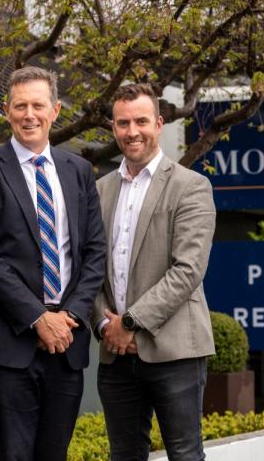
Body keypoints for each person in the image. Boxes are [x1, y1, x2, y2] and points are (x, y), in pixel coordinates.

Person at [0, 66, 105, 461]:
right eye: (20, 105)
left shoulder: (78, 170)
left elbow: (94, 251)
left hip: (68, 342)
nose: (29, 115)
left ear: (55, 110)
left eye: (38, 105)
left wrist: (70, 315)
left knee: (53, 454)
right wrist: (38, 318)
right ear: (6, 110)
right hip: (13, 344)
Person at [92, 83, 217, 461]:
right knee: (124, 455)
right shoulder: (97, 190)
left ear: (159, 123)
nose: (132, 132)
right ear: (113, 128)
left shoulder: (190, 187)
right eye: (123, 123)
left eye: (141, 121)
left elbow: (187, 270)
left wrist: (130, 323)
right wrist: (104, 325)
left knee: (184, 454)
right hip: (115, 353)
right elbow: (88, 269)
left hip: (175, 350)